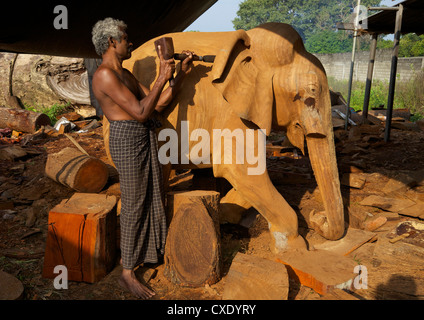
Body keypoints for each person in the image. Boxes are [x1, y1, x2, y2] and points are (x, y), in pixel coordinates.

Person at [91, 17, 193, 299]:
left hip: (143, 136)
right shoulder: (104, 75)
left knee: (153, 194)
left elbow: (157, 104)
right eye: (125, 38)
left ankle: (148, 253)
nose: (130, 42)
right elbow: (139, 112)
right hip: (127, 138)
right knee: (135, 203)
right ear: (112, 42)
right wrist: (162, 74)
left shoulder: (123, 74)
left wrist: (179, 74)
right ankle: (127, 273)